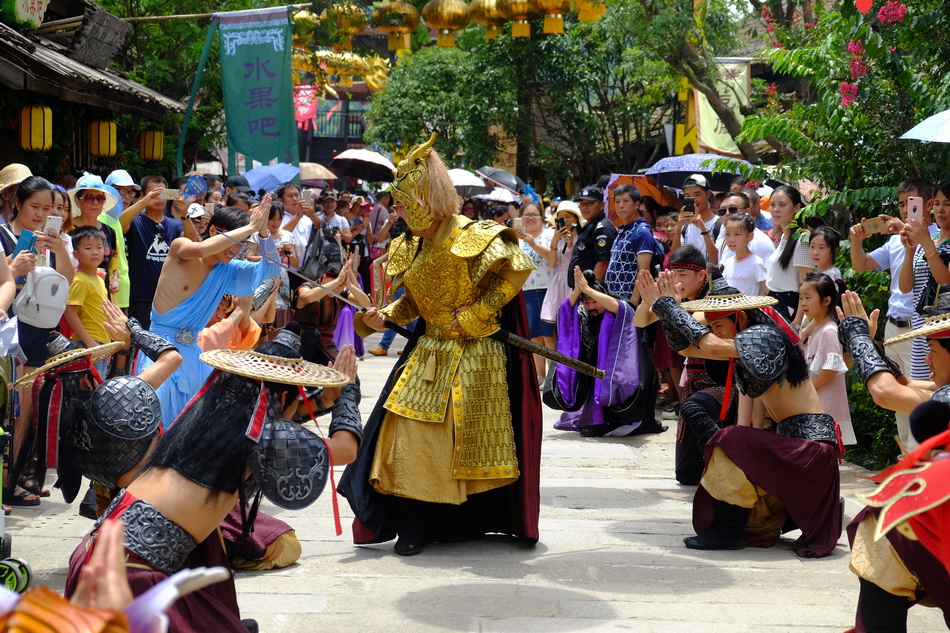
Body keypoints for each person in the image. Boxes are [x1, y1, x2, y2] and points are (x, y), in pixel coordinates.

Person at [65, 328, 361, 632]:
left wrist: (323, 401)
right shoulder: (255, 440)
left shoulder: (207, 418)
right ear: (284, 397)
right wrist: (349, 393)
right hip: (132, 579)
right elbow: (346, 449)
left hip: (95, 555)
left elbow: (270, 425)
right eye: (296, 400)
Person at [340, 134, 543, 556]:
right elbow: (413, 301)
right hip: (430, 348)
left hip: (474, 353)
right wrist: (385, 317)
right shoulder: (409, 245)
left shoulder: (475, 234)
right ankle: (415, 522)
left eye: (400, 201)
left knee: (454, 442)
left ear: (420, 198)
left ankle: (452, 522)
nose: (395, 210)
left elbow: (516, 270)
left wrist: (475, 314)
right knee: (407, 434)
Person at [639, 270, 842, 557]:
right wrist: (670, 310)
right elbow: (687, 347)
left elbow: (707, 344)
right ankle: (746, 522)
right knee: (735, 440)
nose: (714, 331)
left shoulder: (764, 336)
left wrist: (667, 306)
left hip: (809, 449)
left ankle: (728, 530)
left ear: (741, 319)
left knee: (729, 439)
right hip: (798, 446)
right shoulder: (746, 344)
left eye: (718, 325)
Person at [136, 204, 282, 427]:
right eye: (233, 240)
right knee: (156, 425)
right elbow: (201, 250)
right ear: (213, 231)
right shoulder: (181, 246)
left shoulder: (229, 268)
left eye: (241, 244)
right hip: (159, 350)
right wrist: (250, 226)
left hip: (194, 356)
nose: (235, 249)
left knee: (193, 429)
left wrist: (262, 232)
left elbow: (272, 270)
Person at [0, 176, 71, 508]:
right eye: (35, 207)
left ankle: (15, 478)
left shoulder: (48, 240)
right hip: (10, 329)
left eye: (49, 208)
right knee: (11, 409)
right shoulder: (4, 236)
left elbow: (67, 281)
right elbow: (6, 280)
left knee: (27, 410)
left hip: (38, 329)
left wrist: (59, 251)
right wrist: (14, 267)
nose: (41, 214)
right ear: (18, 203)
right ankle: (8, 482)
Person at [851, 178, 937, 451]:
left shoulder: (937, 236)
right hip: (893, 326)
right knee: (899, 397)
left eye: (911, 203)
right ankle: (907, 460)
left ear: (929, 205)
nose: (904, 210)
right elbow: (860, 264)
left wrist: (911, 233)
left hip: (921, 327)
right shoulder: (895, 242)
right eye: (901, 204)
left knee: (919, 395)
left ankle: (922, 461)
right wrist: (856, 240)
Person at [547, 268, 664, 437]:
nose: (590, 307)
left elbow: (623, 308)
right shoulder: (585, 316)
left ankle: (615, 421)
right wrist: (578, 291)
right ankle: (600, 420)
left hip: (629, 371)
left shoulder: (620, 309)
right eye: (586, 303)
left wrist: (588, 290)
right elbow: (565, 314)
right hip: (597, 375)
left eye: (594, 302)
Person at [119, 176, 192, 329]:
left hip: (169, 296)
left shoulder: (175, 223)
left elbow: (192, 243)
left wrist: (185, 214)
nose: (159, 198)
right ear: (143, 195)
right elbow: (120, 224)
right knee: (139, 344)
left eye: (164, 193)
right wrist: (144, 203)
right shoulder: (136, 221)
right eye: (154, 193)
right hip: (140, 296)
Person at [798, 272, 854, 445]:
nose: (803, 303)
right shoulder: (818, 329)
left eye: (808, 297)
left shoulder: (829, 331)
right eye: (801, 298)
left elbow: (831, 369)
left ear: (826, 300)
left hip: (827, 408)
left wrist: (807, 389)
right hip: (819, 406)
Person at [295, 254, 371, 366]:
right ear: (324, 277)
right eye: (334, 283)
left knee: (346, 373)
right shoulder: (307, 287)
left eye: (341, 285)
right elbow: (308, 297)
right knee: (313, 335)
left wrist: (349, 285)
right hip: (301, 343)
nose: (336, 289)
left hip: (326, 345)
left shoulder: (341, 294)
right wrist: (337, 281)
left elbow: (366, 304)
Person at [63, 226, 112, 376]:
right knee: (88, 391)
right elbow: (70, 312)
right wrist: (90, 343)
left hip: (101, 344)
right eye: (88, 248)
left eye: (99, 247)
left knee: (97, 389)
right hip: (88, 343)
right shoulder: (80, 280)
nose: (95, 252)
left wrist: (107, 346)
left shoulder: (98, 279)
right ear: (76, 254)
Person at [516, 202, 556, 382]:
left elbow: (552, 258)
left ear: (542, 217)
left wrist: (532, 243)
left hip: (548, 288)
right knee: (534, 335)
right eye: (526, 215)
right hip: (526, 290)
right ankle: (539, 374)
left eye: (534, 214)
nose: (530, 218)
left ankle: (552, 374)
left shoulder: (549, 234)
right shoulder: (515, 239)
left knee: (549, 333)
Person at [67, 176, 120, 298]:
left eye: (100, 198)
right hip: (75, 293)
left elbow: (113, 267)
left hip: (102, 295)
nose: (95, 202)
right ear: (77, 201)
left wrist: (115, 280)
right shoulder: (67, 230)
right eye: (89, 197)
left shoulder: (110, 232)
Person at [605, 184, 660, 303]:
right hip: (615, 299)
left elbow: (644, 270)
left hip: (629, 300)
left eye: (625, 201)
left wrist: (634, 302)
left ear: (636, 204)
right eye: (617, 202)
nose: (621, 206)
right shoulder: (623, 230)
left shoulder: (642, 232)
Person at [765, 185, 812, 320]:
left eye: (782, 205)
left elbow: (805, 285)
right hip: (774, 303)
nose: (776, 209)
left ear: (796, 208)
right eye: (772, 205)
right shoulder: (784, 237)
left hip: (790, 306)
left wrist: (797, 322)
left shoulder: (802, 238)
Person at [567, 186, 616, 288]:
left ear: (602, 205)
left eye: (590, 203)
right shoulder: (589, 225)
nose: (584, 207)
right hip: (580, 288)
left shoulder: (602, 228)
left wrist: (592, 291)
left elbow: (603, 262)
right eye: (582, 204)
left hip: (589, 291)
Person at [672, 175, 720, 264]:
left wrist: (703, 229)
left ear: (708, 194)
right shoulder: (685, 227)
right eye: (688, 196)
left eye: (697, 194)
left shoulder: (720, 225)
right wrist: (678, 230)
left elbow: (716, 260)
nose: (693, 200)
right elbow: (675, 259)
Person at [721, 214, 768, 296]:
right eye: (728, 234)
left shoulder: (756, 263)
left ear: (750, 236)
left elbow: (768, 292)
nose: (731, 239)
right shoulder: (728, 262)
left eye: (737, 234)